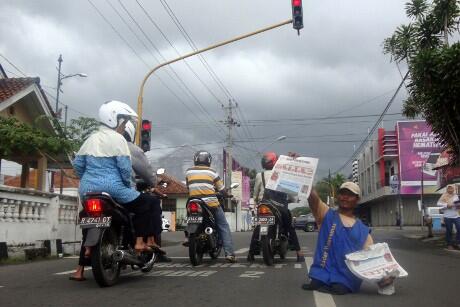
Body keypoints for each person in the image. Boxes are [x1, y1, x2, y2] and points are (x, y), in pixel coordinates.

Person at [69, 100, 162, 281]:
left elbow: (78, 166)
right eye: (124, 121)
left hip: (87, 190)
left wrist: (88, 179)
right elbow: (125, 169)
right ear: (114, 119)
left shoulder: (90, 139)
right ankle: (140, 242)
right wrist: (127, 185)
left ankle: (88, 249)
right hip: (115, 189)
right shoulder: (119, 140)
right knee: (147, 203)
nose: (124, 125)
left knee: (89, 218)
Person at [302, 182, 376, 295]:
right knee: (316, 283)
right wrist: (306, 179)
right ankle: (321, 279)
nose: (345, 197)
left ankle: (340, 282)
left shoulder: (363, 230)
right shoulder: (326, 213)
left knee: (339, 288)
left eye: (350, 195)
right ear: (338, 196)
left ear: (357, 200)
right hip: (321, 272)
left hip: (346, 278)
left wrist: (383, 278)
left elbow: (372, 258)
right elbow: (312, 197)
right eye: (342, 193)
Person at [122, 121, 171, 262]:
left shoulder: (102, 146)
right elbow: (148, 173)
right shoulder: (131, 149)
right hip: (123, 191)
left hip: (94, 191)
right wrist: (154, 182)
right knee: (151, 203)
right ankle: (148, 240)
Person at [247, 152, 304, 262]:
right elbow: (291, 194)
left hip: (264, 205)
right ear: (276, 162)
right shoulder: (282, 174)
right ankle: (299, 253)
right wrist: (294, 199)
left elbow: (255, 195)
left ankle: (250, 253)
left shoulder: (260, 175)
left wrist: (257, 201)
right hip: (280, 207)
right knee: (289, 227)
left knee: (258, 228)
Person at [184, 150, 237, 263]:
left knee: (189, 214)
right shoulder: (212, 172)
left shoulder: (188, 172)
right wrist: (227, 195)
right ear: (209, 161)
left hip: (194, 201)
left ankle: (187, 235)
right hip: (211, 204)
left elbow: (188, 188)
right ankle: (229, 254)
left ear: (196, 159)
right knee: (223, 226)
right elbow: (221, 190)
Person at [437, 184, 460, 250]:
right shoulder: (444, 195)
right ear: (447, 189)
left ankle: (457, 242)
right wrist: (447, 205)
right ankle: (449, 244)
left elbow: (458, 203)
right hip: (447, 216)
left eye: (451, 188)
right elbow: (438, 203)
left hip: (456, 215)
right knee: (449, 230)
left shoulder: (456, 196)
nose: (450, 190)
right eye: (449, 188)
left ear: (453, 189)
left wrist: (458, 205)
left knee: (459, 228)